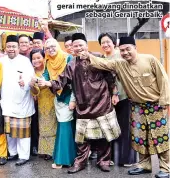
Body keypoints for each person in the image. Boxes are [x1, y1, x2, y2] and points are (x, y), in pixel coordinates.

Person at [84, 36, 170, 178]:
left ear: (135, 48)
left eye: (128, 49)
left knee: (160, 138)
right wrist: (87, 55)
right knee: (140, 138)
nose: (125, 52)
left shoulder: (150, 60)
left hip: (155, 106)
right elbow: (102, 63)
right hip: (136, 107)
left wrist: (165, 102)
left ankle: (166, 169)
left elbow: (164, 80)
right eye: (122, 50)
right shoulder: (119, 64)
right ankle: (144, 165)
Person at [41, 33, 120, 174]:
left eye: (80, 45)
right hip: (83, 105)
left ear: (86, 45)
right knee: (82, 139)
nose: (78, 48)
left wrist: (114, 93)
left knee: (103, 136)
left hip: (102, 102)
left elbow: (110, 76)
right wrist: (48, 83)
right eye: (75, 46)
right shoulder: (72, 64)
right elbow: (61, 80)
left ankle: (104, 161)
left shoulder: (98, 57)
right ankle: (80, 163)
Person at [97, 33, 137, 167]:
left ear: (114, 43)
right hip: (106, 99)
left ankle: (127, 159)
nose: (105, 44)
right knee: (110, 128)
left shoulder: (120, 56)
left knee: (124, 127)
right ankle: (113, 156)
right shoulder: (101, 58)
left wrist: (117, 93)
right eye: (103, 42)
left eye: (108, 41)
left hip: (123, 96)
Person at [0, 35, 35, 166]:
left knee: (23, 131)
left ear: (18, 48)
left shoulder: (25, 61)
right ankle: (13, 153)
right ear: (5, 47)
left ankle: (24, 156)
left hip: (22, 100)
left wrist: (23, 82)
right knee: (10, 131)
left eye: (14, 46)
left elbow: (31, 77)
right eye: (9, 46)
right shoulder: (1, 61)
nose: (11, 49)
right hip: (7, 100)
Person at [41, 38, 76, 169]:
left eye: (53, 46)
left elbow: (72, 80)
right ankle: (71, 157)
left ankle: (63, 159)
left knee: (64, 126)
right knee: (65, 126)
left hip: (69, 96)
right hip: (58, 97)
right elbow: (45, 74)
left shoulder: (68, 58)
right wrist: (40, 80)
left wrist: (73, 99)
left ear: (58, 46)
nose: (51, 49)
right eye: (48, 47)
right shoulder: (48, 61)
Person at [29, 49, 57, 161]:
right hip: (41, 102)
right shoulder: (32, 72)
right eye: (34, 58)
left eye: (38, 58)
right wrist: (31, 86)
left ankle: (52, 151)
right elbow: (35, 92)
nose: (36, 60)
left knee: (53, 127)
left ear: (44, 58)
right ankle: (44, 150)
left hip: (53, 99)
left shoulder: (49, 69)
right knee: (43, 127)